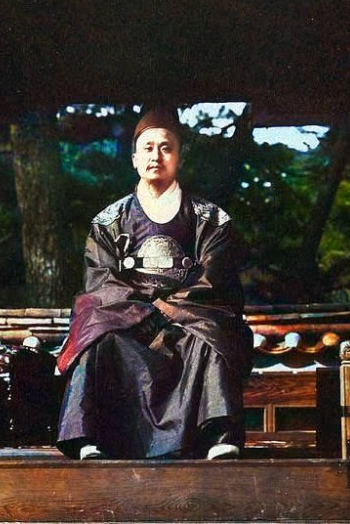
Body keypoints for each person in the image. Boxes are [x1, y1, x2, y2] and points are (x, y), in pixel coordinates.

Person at [56, 105, 252, 460]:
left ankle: (217, 435)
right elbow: (101, 282)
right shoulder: (108, 221)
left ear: (180, 157)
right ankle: (89, 437)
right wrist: (143, 314)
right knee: (95, 334)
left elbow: (215, 277)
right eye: (147, 148)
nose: (156, 156)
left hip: (189, 320)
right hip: (128, 322)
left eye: (166, 147)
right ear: (134, 159)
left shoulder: (210, 219)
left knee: (212, 335)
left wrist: (166, 310)